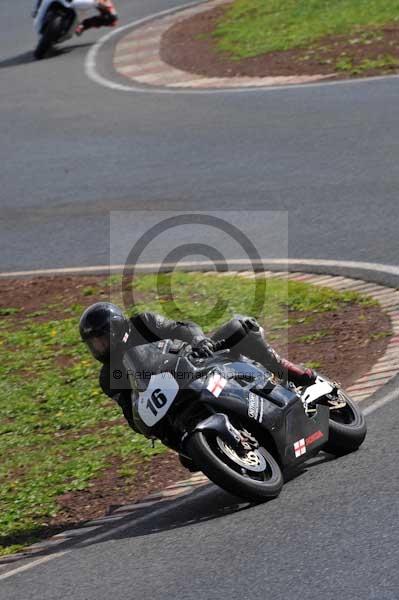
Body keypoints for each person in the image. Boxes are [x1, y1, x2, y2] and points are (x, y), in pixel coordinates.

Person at [79, 302, 316, 433]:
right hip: (173, 403)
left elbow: (181, 328)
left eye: (103, 339)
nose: (100, 348)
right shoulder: (108, 377)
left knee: (240, 326)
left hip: (197, 363)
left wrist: (199, 341)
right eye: (94, 344)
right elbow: (130, 411)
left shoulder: (143, 323)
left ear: (118, 328)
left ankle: (286, 369)